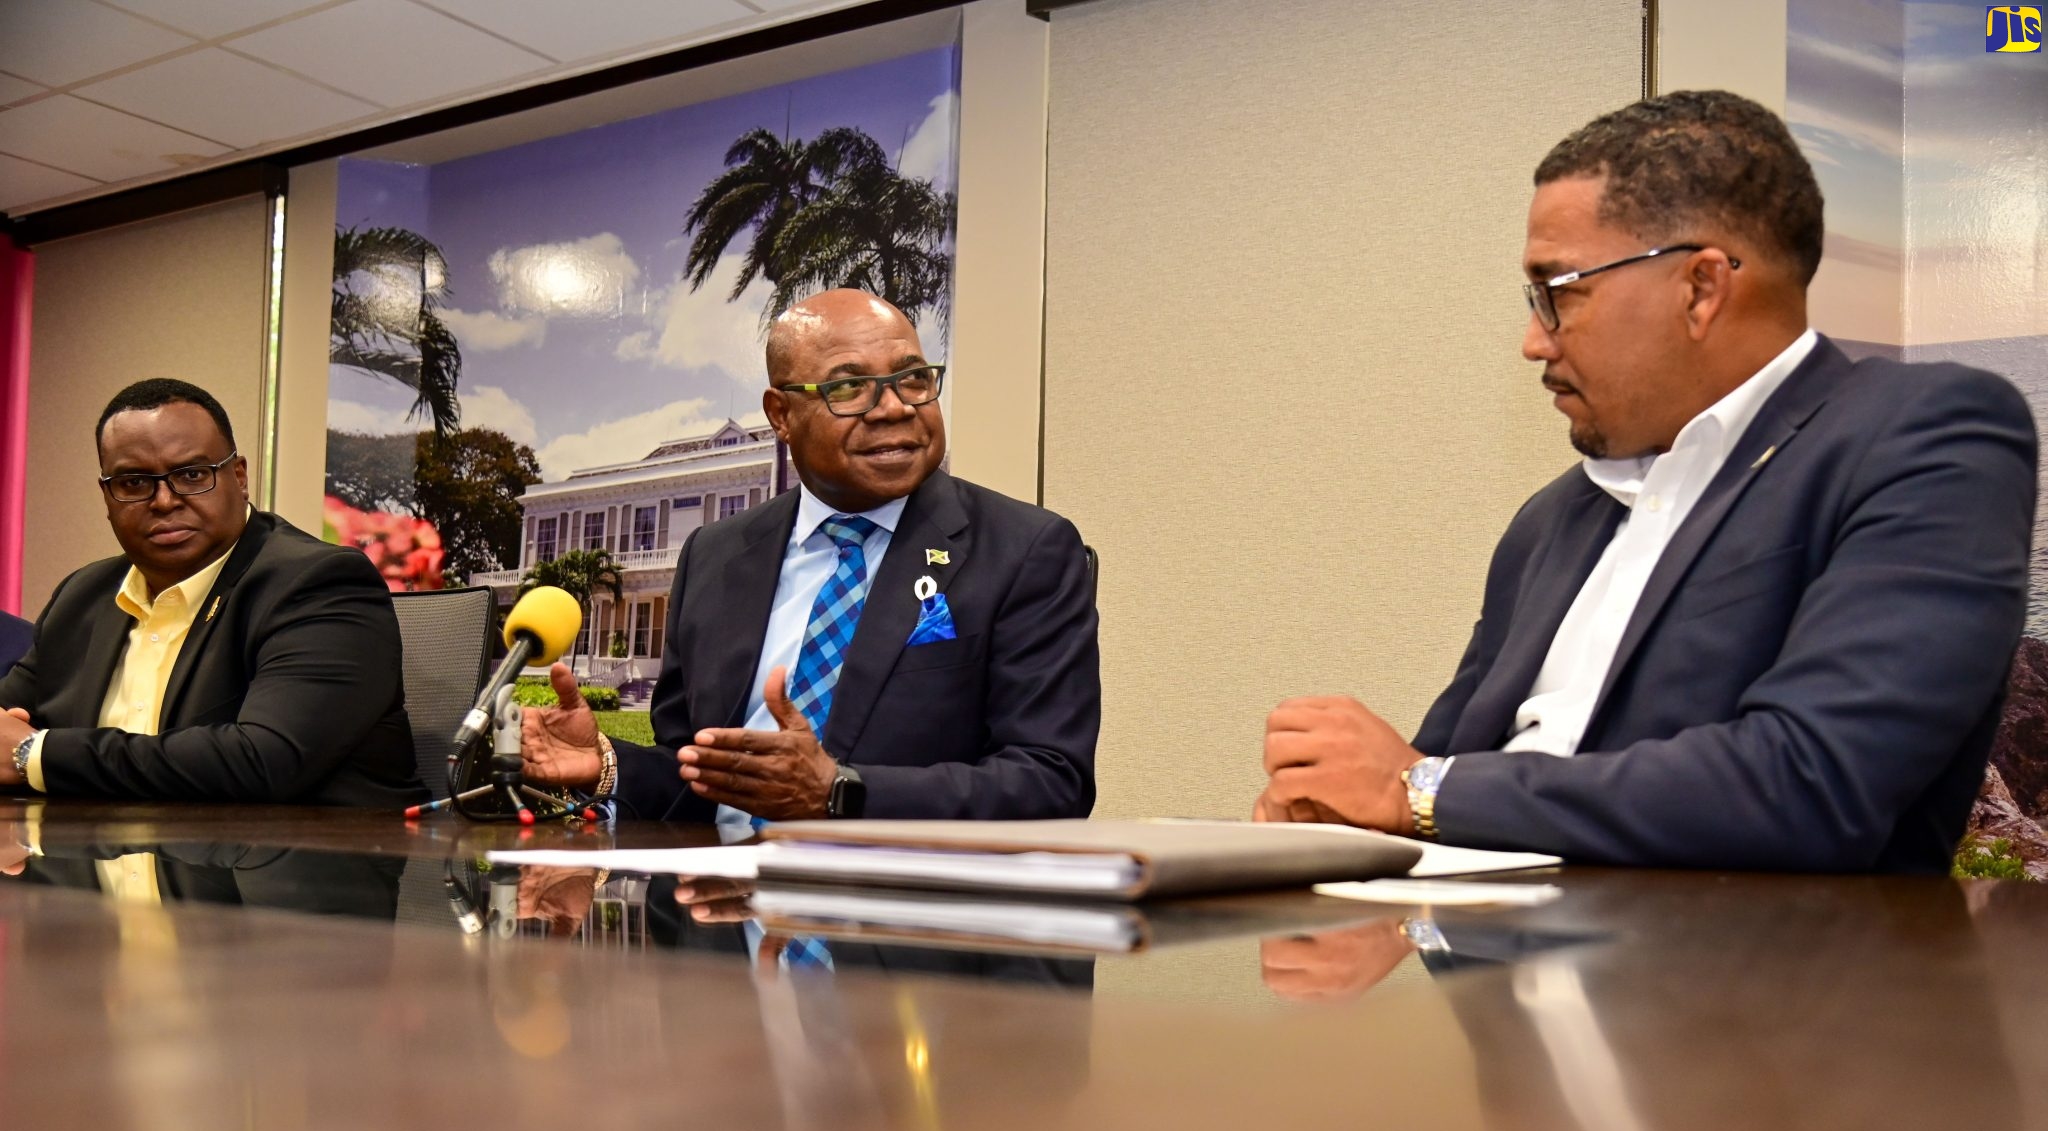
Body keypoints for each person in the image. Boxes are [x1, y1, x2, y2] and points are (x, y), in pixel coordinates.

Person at [1257, 91, 2037, 873]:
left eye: (1559, 293)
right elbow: (1435, 775)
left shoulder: (1924, 434)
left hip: (1735, 951)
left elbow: (1813, 784)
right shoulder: (1551, 521)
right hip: (1475, 940)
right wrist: (1345, 812)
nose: (1534, 341)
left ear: (1700, 289)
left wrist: (1418, 790)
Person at [524, 289, 1099, 827]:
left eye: (914, 378)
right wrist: (606, 764)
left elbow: (1052, 780)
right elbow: (698, 776)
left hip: (903, 896)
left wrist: (840, 791)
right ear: (781, 414)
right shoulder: (714, 557)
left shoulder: (1025, 550)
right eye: (849, 388)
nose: (894, 407)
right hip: (721, 893)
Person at [0, 378, 425, 806]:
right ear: (107, 496)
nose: (164, 501)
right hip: (87, 844)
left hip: (297, 845)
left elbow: (263, 761)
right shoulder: (82, 596)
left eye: (191, 475)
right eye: (133, 483)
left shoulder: (320, 583)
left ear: (239, 477)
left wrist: (34, 754)